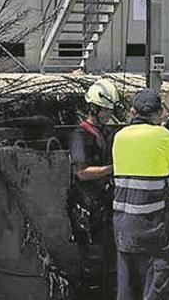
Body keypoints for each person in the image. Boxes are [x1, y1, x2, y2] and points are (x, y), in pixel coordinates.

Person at [112, 89, 169, 300]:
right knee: (157, 290)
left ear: (133, 111)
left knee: (128, 290)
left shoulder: (119, 137)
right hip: (154, 232)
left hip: (124, 229)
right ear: (157, 113)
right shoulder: (162, 137)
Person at [68, 79, 120, 299]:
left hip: (103, 206)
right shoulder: (81, 135)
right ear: (95, 109)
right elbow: (81, 172)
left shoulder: (105, 133)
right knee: (92, 263)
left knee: (108, 263)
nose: (109, 115)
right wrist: (111, 169)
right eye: (106, 111)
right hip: (87, 208)